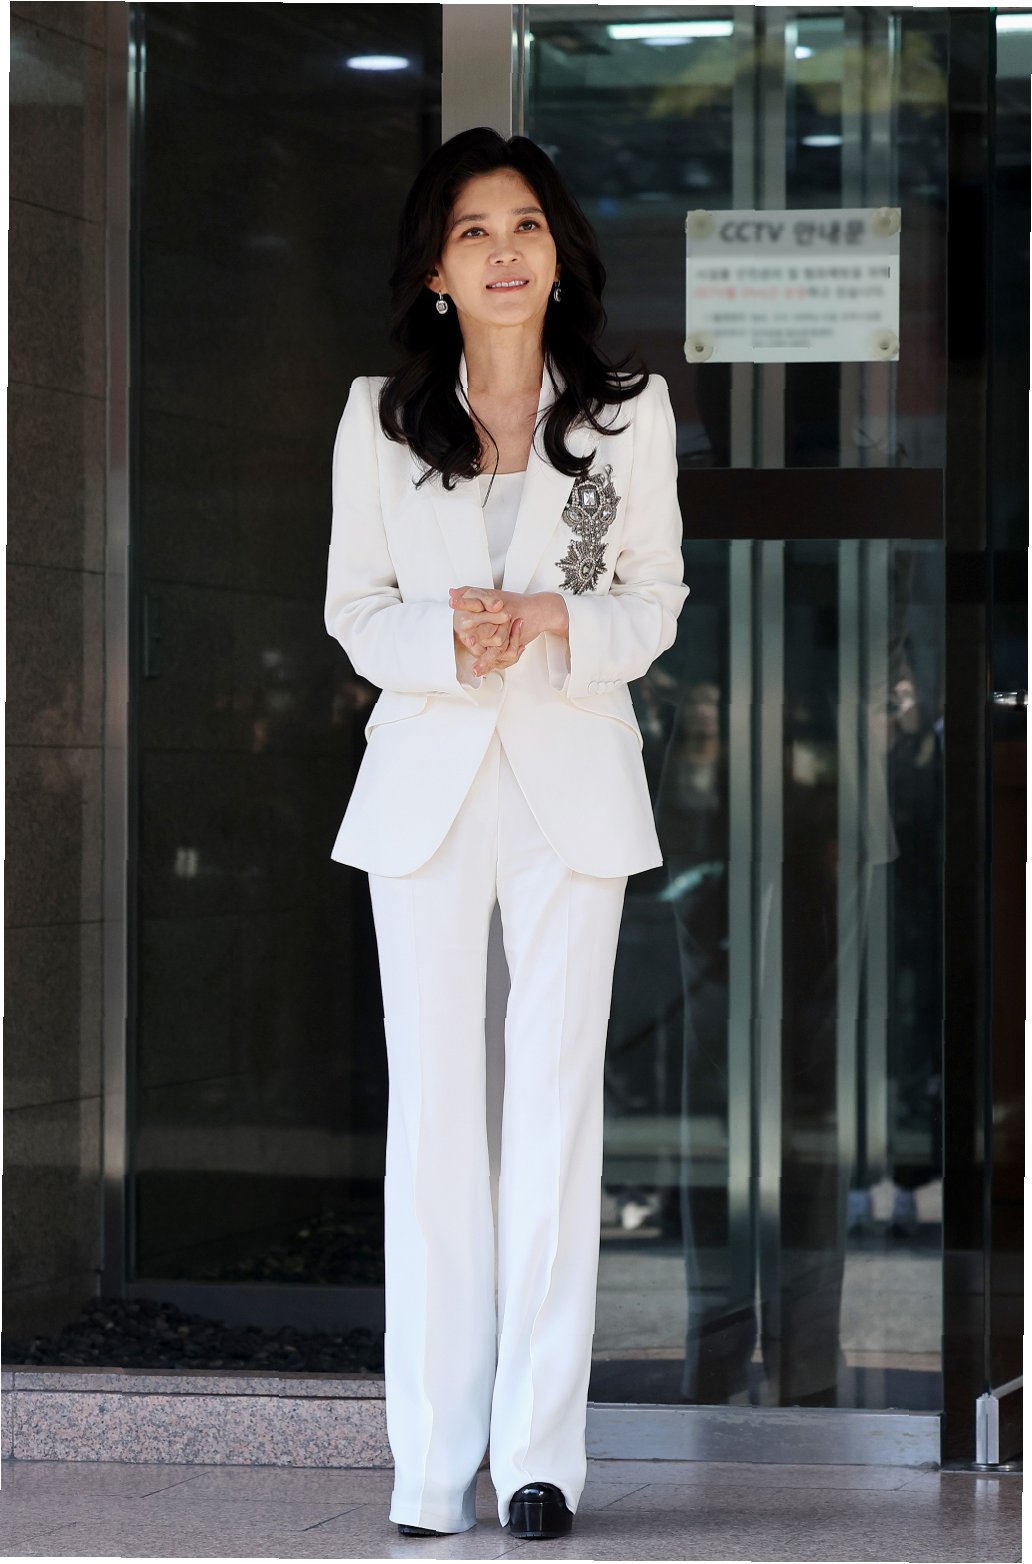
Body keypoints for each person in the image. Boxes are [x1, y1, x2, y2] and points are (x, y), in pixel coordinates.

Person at [323, 126, 689, 1542]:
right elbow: (355, 610)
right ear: (436, 266)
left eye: (525, 224)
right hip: (425, 796)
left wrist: (551, 618)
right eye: (473, 230)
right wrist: (447, 638)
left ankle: (539, 1458)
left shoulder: (628, 415)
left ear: (559, 252)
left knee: (552, 1118)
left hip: (569, 791)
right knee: (435, 1125)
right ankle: (430, 1463)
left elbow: (653, 601)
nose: (503, 251)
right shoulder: (377, 418)